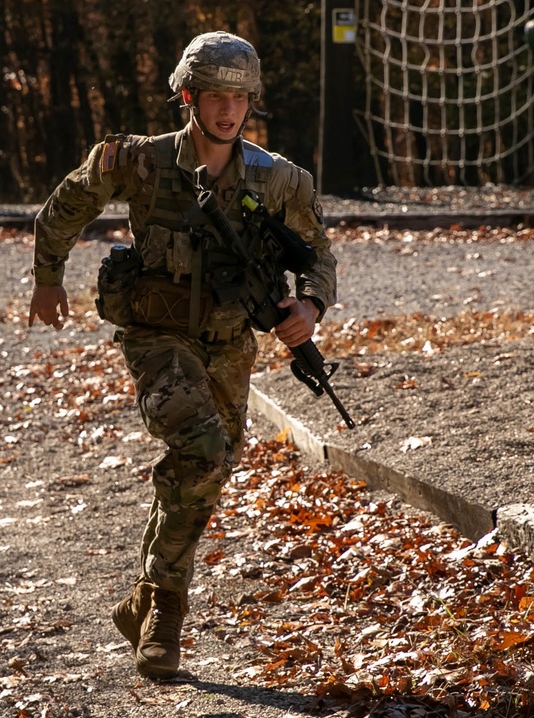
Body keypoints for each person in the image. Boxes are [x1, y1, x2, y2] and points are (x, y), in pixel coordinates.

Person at [27, 31, 337, 680]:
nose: (229, 109)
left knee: (207, 475)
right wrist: (48, 277)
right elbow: (63, 206)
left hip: (229, 342)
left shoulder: (278, 177)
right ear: (189, 96)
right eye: (216, 95)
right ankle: (167, 614)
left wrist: (309, 307)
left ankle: (143, 596)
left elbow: (318, 254)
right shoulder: (137, 161)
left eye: (241, 97)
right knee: (202, 450)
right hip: (155, 335)